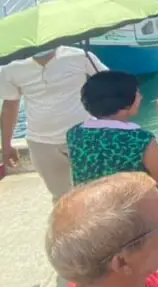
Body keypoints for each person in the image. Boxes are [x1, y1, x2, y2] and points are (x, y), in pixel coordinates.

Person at [68, 71, 158, 189]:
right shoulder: (139, 139)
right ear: (124, 102)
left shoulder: (74, 133)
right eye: (137, 93)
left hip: (90, 208)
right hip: (135, 212)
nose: (141, 97)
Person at [0, 46, 107, 201]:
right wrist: (6, 145)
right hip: (41, 143)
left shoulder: (80, 55)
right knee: (61, 198)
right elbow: (10, 105)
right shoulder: (12, 67)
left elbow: (111, 84)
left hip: (86, 136)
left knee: (97, 191)